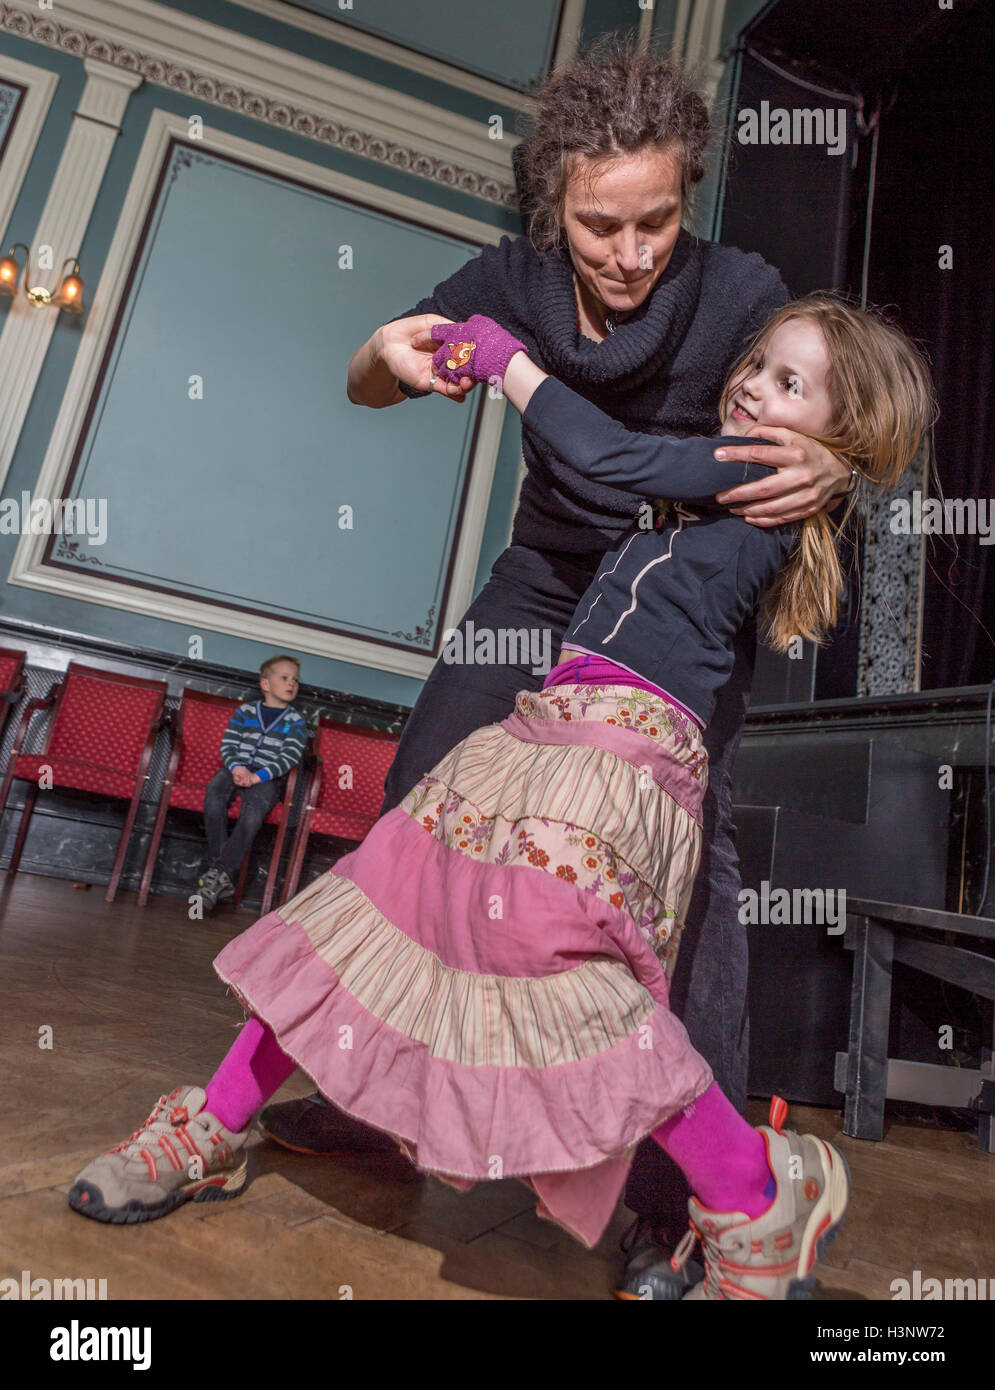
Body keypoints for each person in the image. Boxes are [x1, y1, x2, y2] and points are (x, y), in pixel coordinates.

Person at [67, 294, 935, 1301]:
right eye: (756, 367)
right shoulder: (713, 477)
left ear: (838, 433)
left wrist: (506, 361)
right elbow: (616, 467)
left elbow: (607, 455)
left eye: (790, 386)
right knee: (369, 907)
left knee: (570, 987)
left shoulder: (752, 473)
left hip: (618, 758)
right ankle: (211, 1123)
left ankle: (752, 1193)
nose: (750, 388)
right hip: (537, 731)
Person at [261, 32, 856, 1297]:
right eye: (600, 226)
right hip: (541, 591)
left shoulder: (739, 288)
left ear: (685, 196)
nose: (632, 253)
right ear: (552, 205)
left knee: (690, 883)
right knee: (420, 812)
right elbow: (373, 378)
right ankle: (378, 1105)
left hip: (669, 619)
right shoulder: (513, 283)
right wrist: (387, 350)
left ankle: (667, 1200)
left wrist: (838, 464)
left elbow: (832, 399)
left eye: (655, 220)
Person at [196, 656, 308, 912]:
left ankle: (216, 874)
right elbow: (229, 745)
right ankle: (220, 870)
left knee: (253, 810)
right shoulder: (245, 712)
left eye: (295, 680)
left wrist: (258, 777)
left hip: (267, 777)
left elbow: (289, 757)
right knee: (214, 794)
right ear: (265, 684)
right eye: (284, 678)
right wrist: (237, 768)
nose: (291, 683)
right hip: (235, 770)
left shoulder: (296, 722)